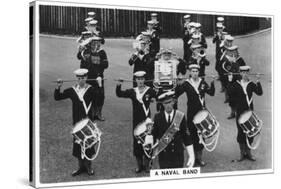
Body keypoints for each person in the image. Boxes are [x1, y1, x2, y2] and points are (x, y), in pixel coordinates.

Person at [54, 69, 97, 176]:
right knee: (78, 145)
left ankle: (89, 167)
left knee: (89, 145)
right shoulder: (72, 91)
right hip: (77, 123)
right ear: (76, 79)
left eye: (83, 78)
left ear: (86, 78)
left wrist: (100, 85)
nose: (81, 80)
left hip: (88, 123)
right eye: (79, 78)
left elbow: (100, 99)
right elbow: (57, 97)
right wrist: (58, 86)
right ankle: (80, 167)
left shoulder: (91, 90)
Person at [116, 71, 157, 173]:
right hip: (136, 122)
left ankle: (147, 165)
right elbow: (119, 94)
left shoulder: (149, 90)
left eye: (142, 79)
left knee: (148, 141)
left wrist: (157, 85)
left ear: (144, 79)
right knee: (137, 143)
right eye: (138, 79)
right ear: (135, 80)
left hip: (147, 121)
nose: (140, 81)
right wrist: (119, 84)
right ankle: (139, 165)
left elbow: (159, 96)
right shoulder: (132, 91)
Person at [175, 64, 215, 167]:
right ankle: (192, 158)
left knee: (202, 136)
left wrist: (213, 83)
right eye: (193, 71)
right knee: (192, 136)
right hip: (191, 114)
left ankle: (199, 159)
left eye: (196, 71)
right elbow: (176, 93)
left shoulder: (202, 83)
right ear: (190, 73)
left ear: (199, 72)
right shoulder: (187, 84)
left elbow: (211, 93)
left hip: (202, 114)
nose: (195, 73)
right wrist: (177, 83)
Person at [227, 66, 263, 162]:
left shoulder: (251, 84)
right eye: (242, 72)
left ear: (248, 73)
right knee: (241, 133)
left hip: (249, 112)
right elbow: (230, 93)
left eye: (246, 72)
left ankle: (249, 153)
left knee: (251, 132)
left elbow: (260, 93)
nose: (244, 74)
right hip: (239, 112)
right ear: (240, 73)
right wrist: (230, 81)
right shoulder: (236, 84)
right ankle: (242, 153)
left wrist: (258, 81)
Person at [151, 90, 195, 169]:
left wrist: (191, 155)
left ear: (174, 102)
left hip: (178, 155)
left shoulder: (180, 116)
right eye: (165, 103)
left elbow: (186, 137)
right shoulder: (157, 117)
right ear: (162, 104)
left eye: (169, 102)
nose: (168, 105)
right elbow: (153, 135)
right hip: (164, 156)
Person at [79, 36, 109, 121]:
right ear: (91, 43)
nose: (96, 44)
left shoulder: (102, 52)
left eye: (98, 42)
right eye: (94, 42)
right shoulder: (87, 51)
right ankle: (91, 113)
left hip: (99, 77)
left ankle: (98, 113)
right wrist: (82, 51)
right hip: (89, 77)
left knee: (100, 96)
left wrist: (97, 59)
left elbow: (106, 65)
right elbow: (82, 60)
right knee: (89, 95)